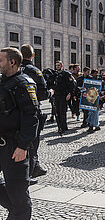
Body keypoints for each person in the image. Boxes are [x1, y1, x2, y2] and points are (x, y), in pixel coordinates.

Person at [0, 47, 39, 220]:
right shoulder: (2, 82)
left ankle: (18, 212)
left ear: (12, 62)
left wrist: (23, 146)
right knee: (15, 202)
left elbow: (31, 117)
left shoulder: (24, 83)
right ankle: (14, 210)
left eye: (0, 60)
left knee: (19, 196)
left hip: (15, 147)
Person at [20, 44, 51, 183]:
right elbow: (43, 94)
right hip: (31, 111)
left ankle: (35, 166)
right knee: (32, 143)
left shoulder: (15, 69)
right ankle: (28, 173)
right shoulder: (34, 71)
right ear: (33, 55)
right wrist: (51, 93)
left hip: (15, 112)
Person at [51, 61, 75, 134]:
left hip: (64, 95)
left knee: (62, 111)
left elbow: (72, 84)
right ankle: (60, 127)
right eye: (56, 65)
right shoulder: (55, 74)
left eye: (58, 65)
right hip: (56, 95)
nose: (57, 67)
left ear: (62, 66)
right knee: (57, 111)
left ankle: (63, 127)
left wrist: (70, 94)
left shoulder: (66, 74)